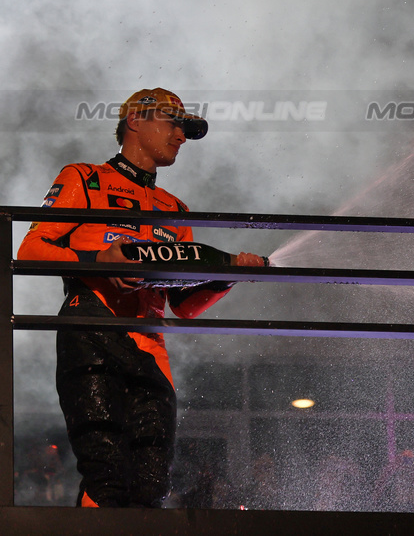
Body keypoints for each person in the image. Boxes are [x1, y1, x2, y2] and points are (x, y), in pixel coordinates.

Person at [17, 87, 266, 508]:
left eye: (186, 129)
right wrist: (100, 261)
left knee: (151, 484)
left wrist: (227, 278)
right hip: (89, 324)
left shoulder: (176, 209)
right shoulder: (83, 178)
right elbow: (30, 250)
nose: (182, 137)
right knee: (107, 475)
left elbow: (183, 307)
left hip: (151, 343)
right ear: (136, 121)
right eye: (175, 124)